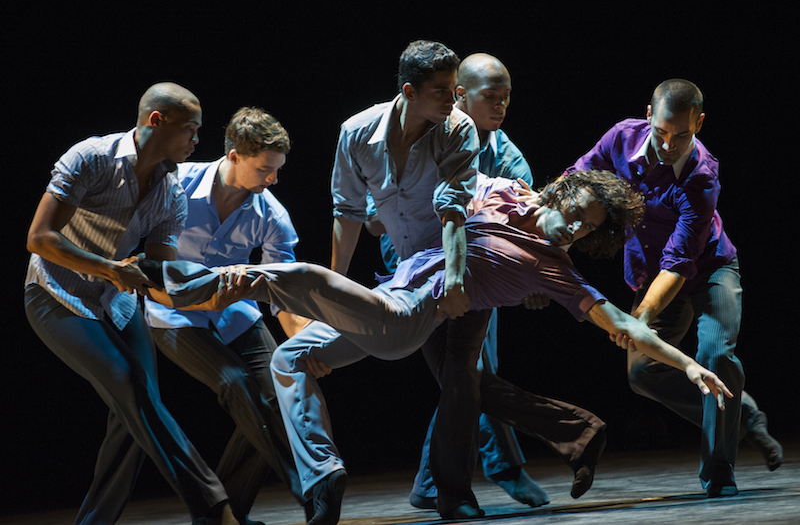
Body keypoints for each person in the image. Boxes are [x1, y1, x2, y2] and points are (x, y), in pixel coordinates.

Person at [142, 171, 733, 525]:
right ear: (561, 192)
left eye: (585, 229)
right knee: (287, 358)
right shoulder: (500, 193)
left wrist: (686, 365)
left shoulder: (553, 270)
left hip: (405, 318)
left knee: (295, 275)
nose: (572, 230)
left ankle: (168, 280)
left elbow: (627, 328)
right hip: (386, 294)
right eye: (574, 214)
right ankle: (323, 473)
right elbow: (440, 194)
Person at [24, 82, 238, 524]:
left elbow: (158, 269)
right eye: (190, 130)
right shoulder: (92, 158)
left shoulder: (171, 191)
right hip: (55, 296)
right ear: (155, 121)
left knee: (134, 411)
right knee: (131, 386)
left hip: (115, 302)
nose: (196, 142)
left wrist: (212, 289)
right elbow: (39, 238)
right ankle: (215, 510)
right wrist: (110, 268)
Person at [403, 53, 606, 510]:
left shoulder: (508, 158)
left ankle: (443, 486)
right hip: (417, 266)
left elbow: (532, 232)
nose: (500, 106)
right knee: (465, 377)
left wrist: (538, 282)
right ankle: (564, 437)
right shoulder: (425, 134)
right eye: (490, 97)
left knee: (463, 374)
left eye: (506, 99)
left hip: (477, 274)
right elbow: (387, 204)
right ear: (460, 95)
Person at [568, 79, 782, 497]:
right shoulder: (622, 138)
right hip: (651, 274)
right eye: (661, 132)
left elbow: (680, 263)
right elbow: (578, 179)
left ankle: (719, 472)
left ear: (698, 124)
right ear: (649, 115)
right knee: (642, 372)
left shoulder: (702, 176)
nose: (668, 144)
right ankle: (743, 417)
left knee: (716, 355)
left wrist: (638, 319)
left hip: (709, 270)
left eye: (680, 135)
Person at [329, 39, 488, 519]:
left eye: (455, 89)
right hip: (408, 270)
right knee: (456, 379)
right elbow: (348, 212)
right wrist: (331, 292)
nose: (453, 99)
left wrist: (457, 279)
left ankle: (453, 492)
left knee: (460, 373)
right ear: (408, 91)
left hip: (463, 258)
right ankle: (574, 430)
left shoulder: (457, 130)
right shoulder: (357, 134)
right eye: (441, 90)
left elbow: (454, 211)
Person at [143, 107, 311, 525]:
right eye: (265, 169)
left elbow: (282, 295)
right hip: (172, 310)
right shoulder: (176, 185)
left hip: (235, 311)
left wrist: (307, 343)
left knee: (277, 393)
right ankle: (306, 482)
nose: (272, 180)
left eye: (277, 170)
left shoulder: (271, 215)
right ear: (234, 156)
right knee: (234, 383)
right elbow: (139, 253)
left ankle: (225, 514)